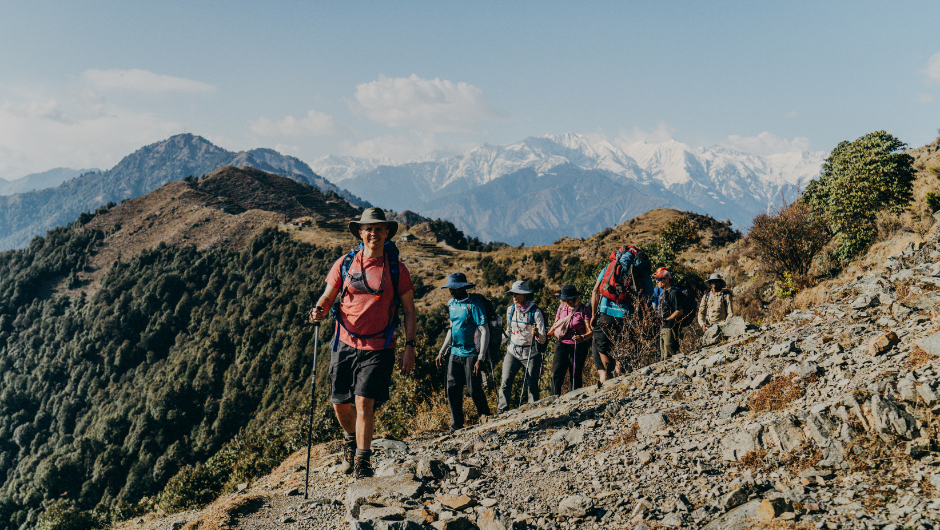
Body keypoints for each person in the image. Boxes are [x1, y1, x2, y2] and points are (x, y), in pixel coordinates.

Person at [310, 207, 417, 479]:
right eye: (368, 228)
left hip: (379, 347)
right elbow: (327, 296)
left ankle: (362, 461)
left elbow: (409, 310)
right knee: (339, 404)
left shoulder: (397, 270)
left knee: (363, 402)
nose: (373, 233)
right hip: (344, 342)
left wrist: (409, 347)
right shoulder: (345, 263)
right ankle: (350, 439)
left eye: (379, 229)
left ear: (386, 233)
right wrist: (318, 310)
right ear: (360, 232)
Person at [435, 272, 492, 432]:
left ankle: (485, 417)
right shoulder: (451, 304)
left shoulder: (474, 305)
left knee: (473, 388)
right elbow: (452, 329)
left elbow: (484, 329)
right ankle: (456, 426)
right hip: (455, 352)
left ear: (462, 288)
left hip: (472, 353)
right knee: (452, 388)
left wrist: (481, 356)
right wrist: (442, 351)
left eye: (454, 288)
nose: (451, 291)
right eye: (450, 288)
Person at [498, 280, 547, 413]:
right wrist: (496, 342)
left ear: (525, 295)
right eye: (513, 294)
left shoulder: (536, 312)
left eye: (517, 294)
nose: (514, 296)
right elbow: (508, 332)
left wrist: (537, 335)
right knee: (505, 382)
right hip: (512, 351)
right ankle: (501, 412)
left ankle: (533, 412)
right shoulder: (511, 310)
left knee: (532, 385)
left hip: (531, 353)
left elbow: (543, 338)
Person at [547, 285, 592, 396]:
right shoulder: (561, 308)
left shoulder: (583, 309)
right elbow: (556, 324)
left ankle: (575, 398)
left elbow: (590, 331)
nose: (568, 301)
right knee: (556, 373)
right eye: (566, 299)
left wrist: (582, 337)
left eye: (570, 299)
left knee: (575, 374)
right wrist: (548, 335)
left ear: (576, 297)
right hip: (561, 344)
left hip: (578, 346)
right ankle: (554, 398)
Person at [590, 264, 629, 382]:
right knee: (621, 344)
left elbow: (596, 290)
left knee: (600, 345)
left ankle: (607, 374)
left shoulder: (608, 267)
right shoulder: (634, 268)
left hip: (605, 313)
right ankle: (618, 374)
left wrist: (593, 314)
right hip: (625, 314)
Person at [653, 267, 683, 361]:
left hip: (670, 327)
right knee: (662, 354)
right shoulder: (663, 293)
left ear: (667, 279)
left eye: (659, 279)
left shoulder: (674, 292)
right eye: (656, 279)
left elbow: (679, 311)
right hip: (662, 326)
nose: (657, 282)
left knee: (668, 354)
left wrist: (668, 319)